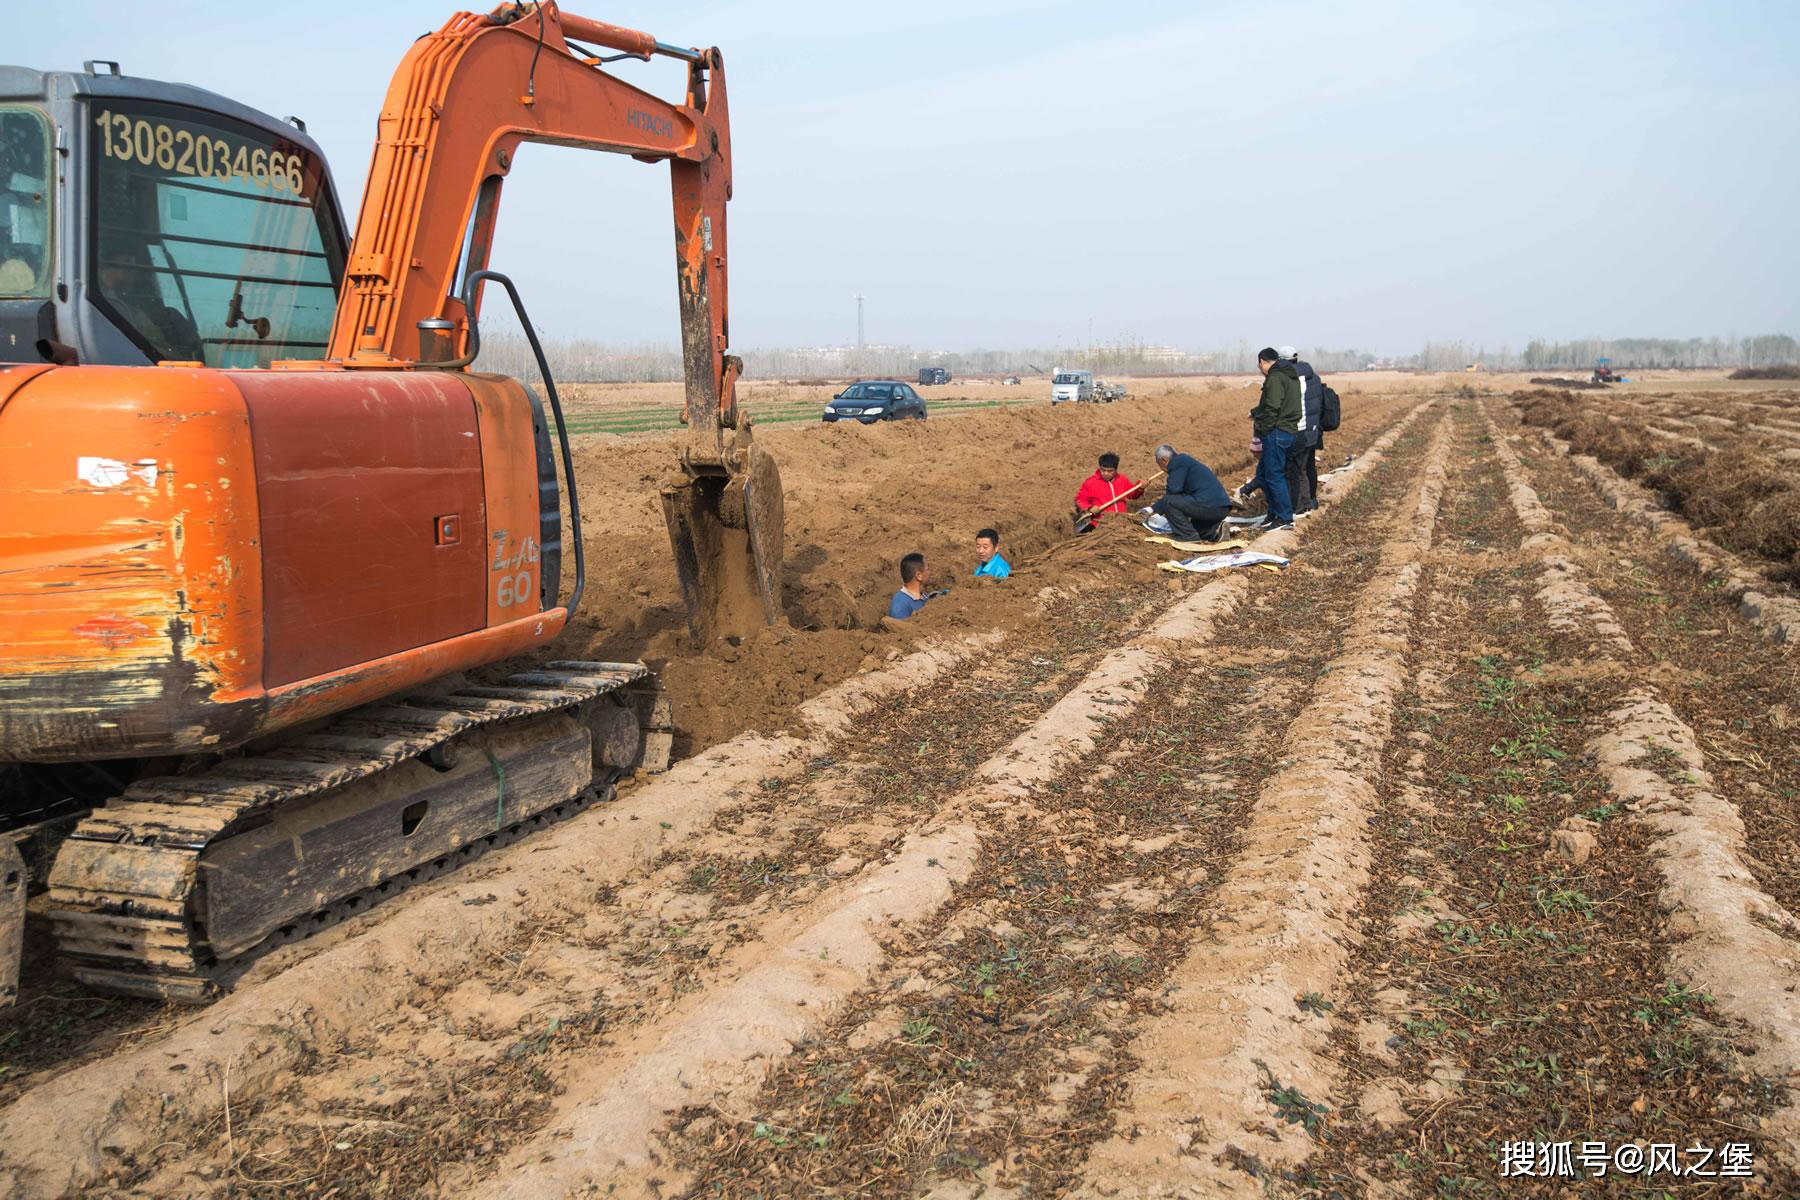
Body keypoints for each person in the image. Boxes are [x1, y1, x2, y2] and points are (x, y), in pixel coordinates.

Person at [1250, 347, 1302, 530]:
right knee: (1264, 474)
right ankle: (1273, 513)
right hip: (1288, 431)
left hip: (1277, 432)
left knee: (1274, 476)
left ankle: (1284, 518)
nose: (1260, 368)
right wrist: (1255, 412)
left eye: (1259, 365)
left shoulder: (1275, 378)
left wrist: (1264, 429)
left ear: (1263, 361)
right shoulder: (1290, 376)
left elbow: (1273, 407)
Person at [1151, 443, 1232, 541]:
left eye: (1159, 465)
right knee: (1195, 528)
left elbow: (1173, 491)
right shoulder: (1187, 463)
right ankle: (1215, 534)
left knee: (1169, 501)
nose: (1162, 470)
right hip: (1222, 507)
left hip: (1209, 505)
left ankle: (1188, 537)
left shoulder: (1177, 462)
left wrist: (1152, 510)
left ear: (1164, 460)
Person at [1279, 346, 1322, 516]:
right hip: (1312, 428)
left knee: (1294, 470)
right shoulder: (1313, 377)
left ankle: (1297, 506)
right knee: (1307, 466)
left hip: (1297, 428)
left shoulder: (1288, 378)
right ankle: (1310, 501)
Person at [1073, 453, 1137, 532]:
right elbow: (1080, 500)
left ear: (1115, 470)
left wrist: (1141, 487)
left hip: (1121, 523)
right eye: (1103, 470)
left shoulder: (1122, 480)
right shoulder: (1090, 483)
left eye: (1110, 471)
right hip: (1100, 526)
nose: (1106, 473)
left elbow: (1133, 494)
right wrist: (1090, 507)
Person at [888, 552, 933, 620]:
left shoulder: (923, 597)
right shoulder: (900, 605)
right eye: (927, 569)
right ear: (919, 576)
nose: (930, 572)